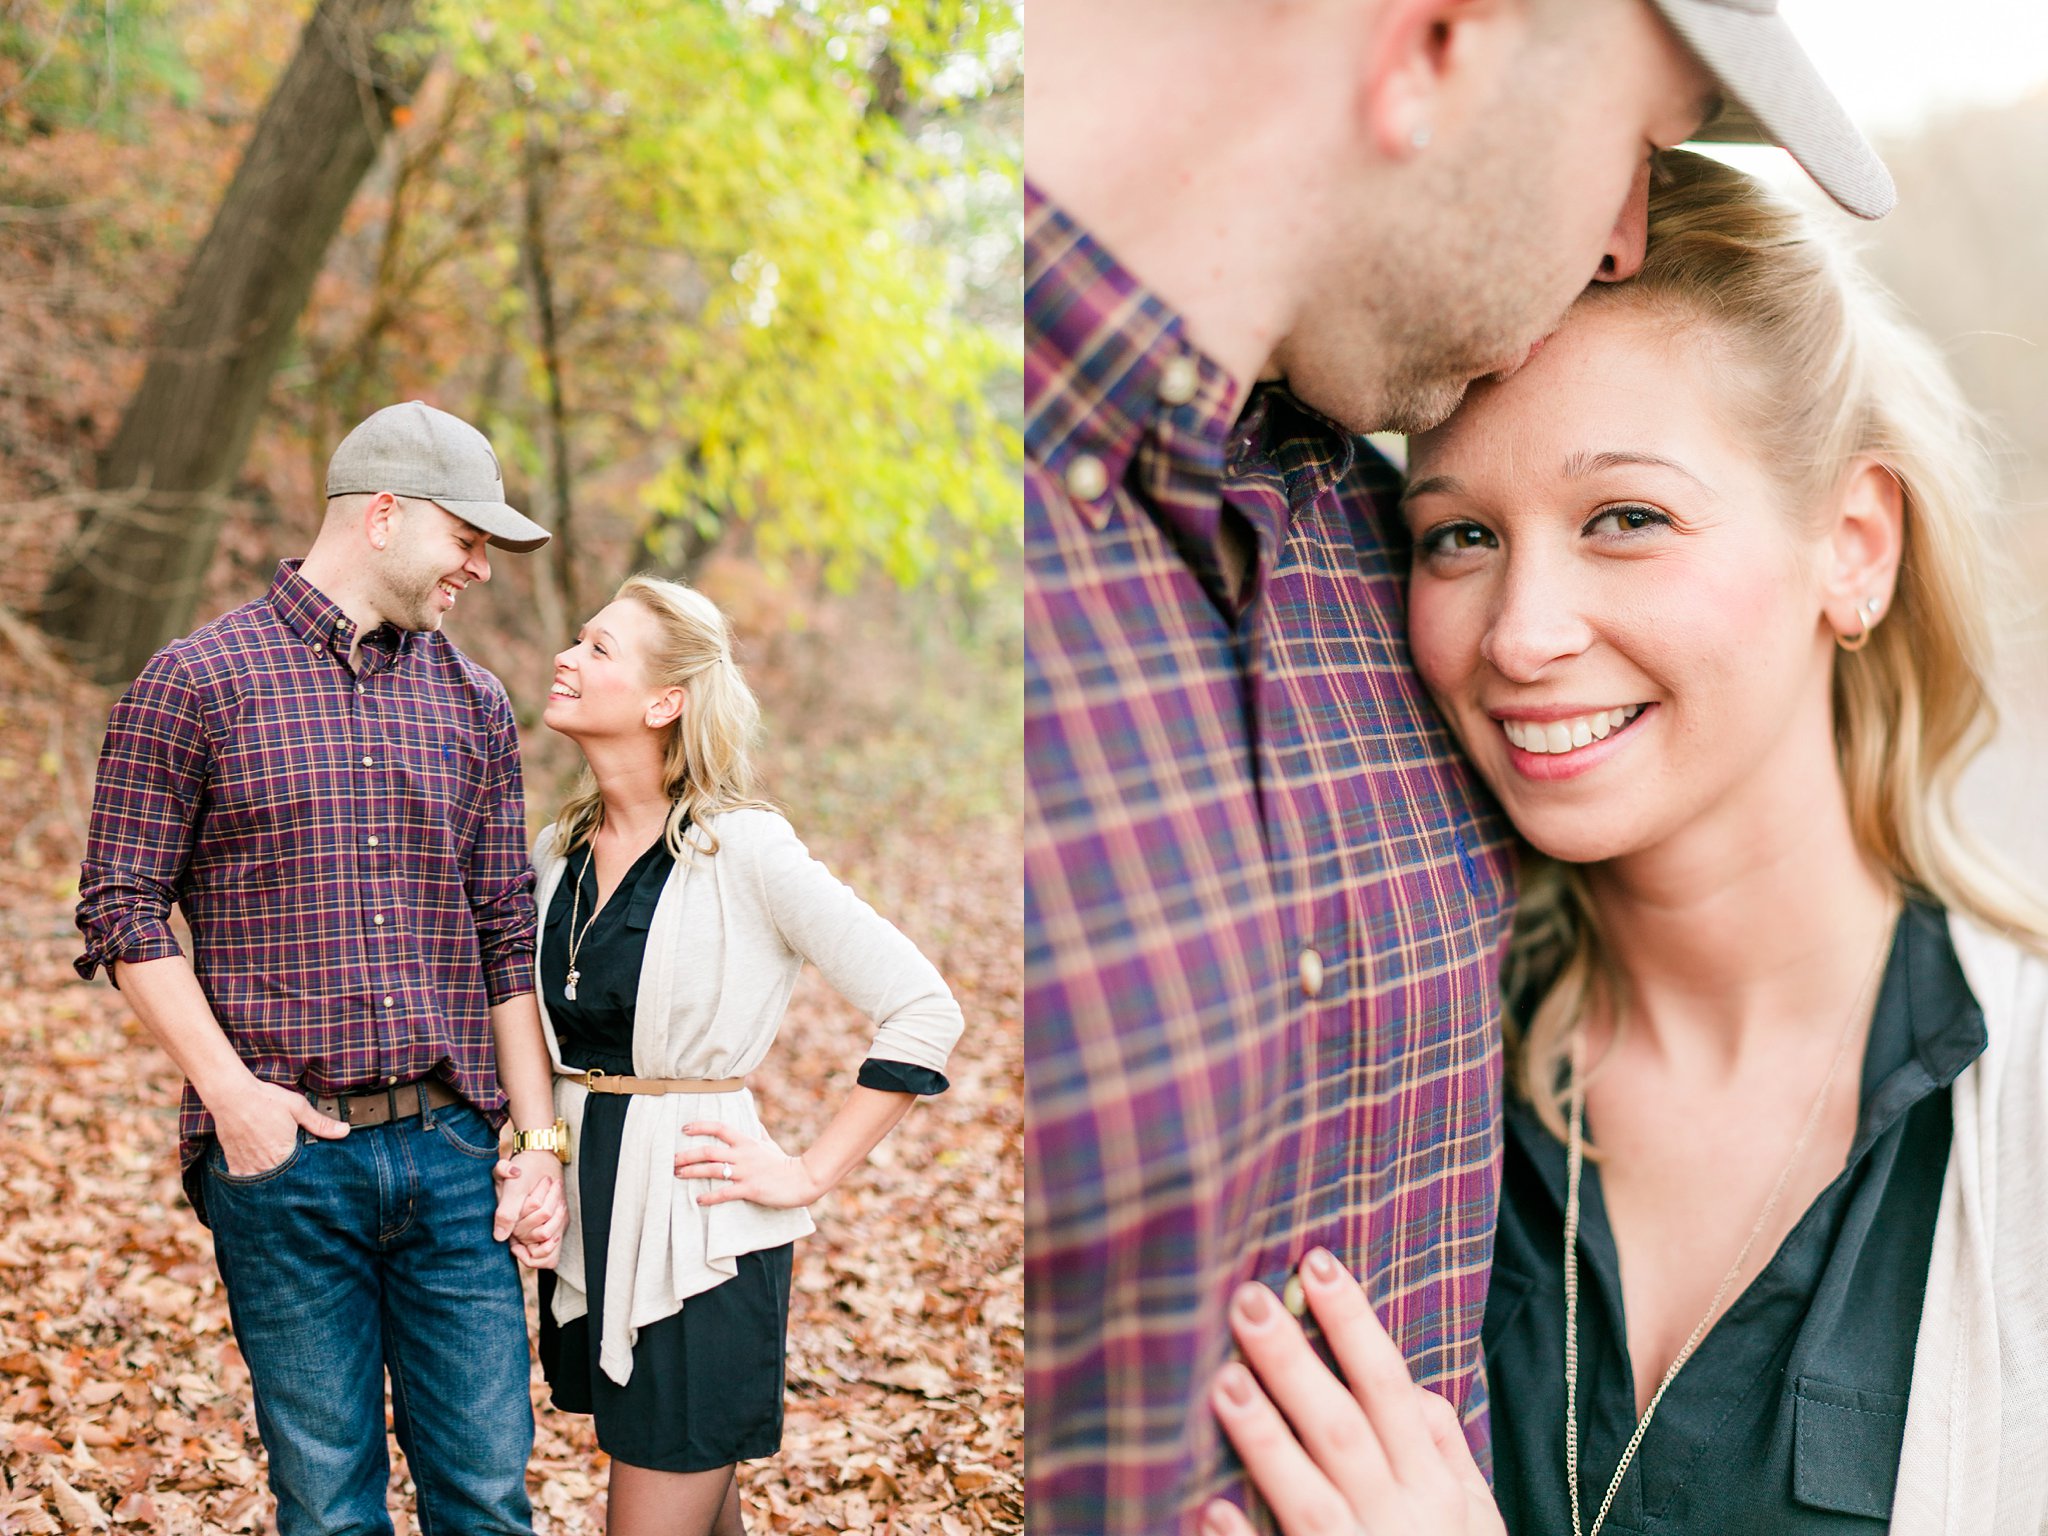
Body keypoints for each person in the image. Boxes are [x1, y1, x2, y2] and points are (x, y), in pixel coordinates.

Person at [1025, 0, 1893, 1527]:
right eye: (1640, 132)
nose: (1625, 235)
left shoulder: (1344, 530)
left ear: (1855, 547)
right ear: (1439, 39)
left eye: (1627, 516)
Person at [1205, 151, 2048, 1536]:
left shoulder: (2019, 1123)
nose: (1523, 632)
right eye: (1460, 534)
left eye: (1627, 520)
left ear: (1853, 545)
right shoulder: (1409, 1068)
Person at [73, 400, 574, 1535]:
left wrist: (536, 1148)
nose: (480, 570)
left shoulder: (475, 705)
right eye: (467, 538)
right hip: (286, 1167)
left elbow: (506, 932)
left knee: (489, 1504)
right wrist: (233, 1100)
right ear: (385, 515)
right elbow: (120, 905)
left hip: (453, 1162)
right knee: (328, 1509)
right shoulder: (194, 684)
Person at [523, 574, 965, 1536]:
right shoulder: (557, 851)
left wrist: (807, 1171)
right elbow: (539, 1041)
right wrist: (544, 1149)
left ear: (663, 702)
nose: (568, 655)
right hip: (598, 1228)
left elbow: (924, 1009)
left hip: (701, 1238)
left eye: (600, 648)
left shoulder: (746, 851)